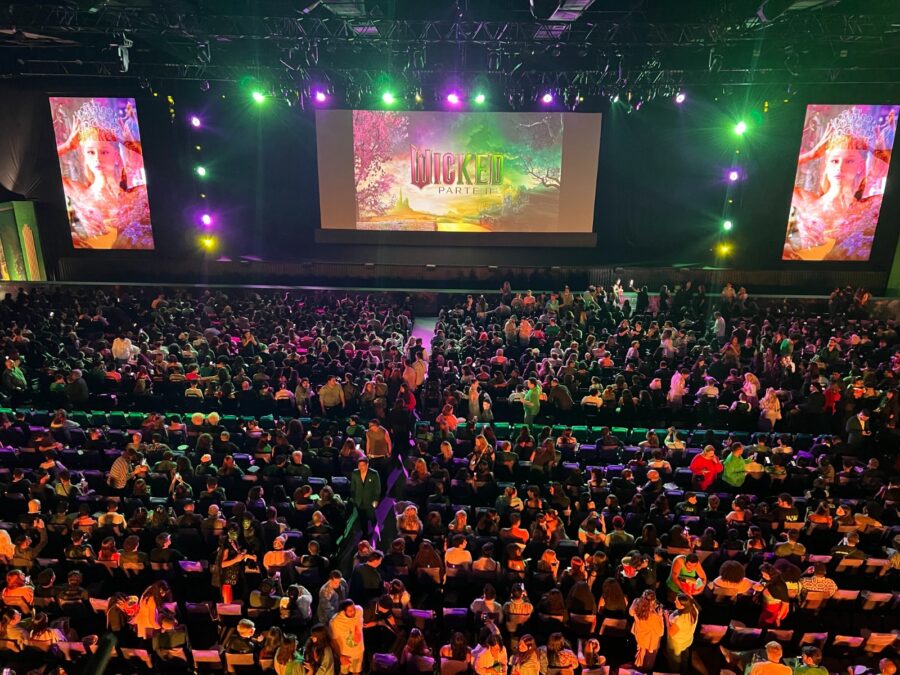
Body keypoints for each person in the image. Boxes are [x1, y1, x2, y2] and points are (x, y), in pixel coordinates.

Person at [53, 98, 152, 249]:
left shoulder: (134, 196)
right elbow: (41, 166)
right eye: (90, 152)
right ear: (85, 157)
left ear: (116, 156)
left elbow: (163, 168)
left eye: (104, 152)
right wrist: (67, 146)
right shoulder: (79, 193)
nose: (98, 159)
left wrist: (132, 145)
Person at [629, 589, 664, 672]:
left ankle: (638, 668)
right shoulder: (652, 615)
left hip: (640, 635)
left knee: (641, 653)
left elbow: (631, 613)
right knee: (649, 659)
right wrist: (660, 616)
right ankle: (646, 670)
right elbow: (660, 632)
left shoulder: (636, 602)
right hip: (650, 640)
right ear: (653, 601)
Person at [664, 593, 699, 674]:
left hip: (677, 644)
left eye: (676, 601)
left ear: (683, 606)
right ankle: (684, 669)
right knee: (685, 656)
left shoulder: (679, 620)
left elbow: (671, 632)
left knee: (675, 661)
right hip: (688, 639)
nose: (674, 601)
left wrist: (666, 617)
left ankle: (675, 672)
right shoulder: (694, 609)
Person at [329, 600, 365, 675]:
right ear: (343, 611)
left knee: (356, 672)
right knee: (343, 673)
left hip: (358, 652)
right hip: (345, 655)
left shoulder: (359, 610)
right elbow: (333, 640)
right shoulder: (336, 622)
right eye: (350, 611)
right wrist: (340, 656)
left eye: (354, 609)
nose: (353, 612)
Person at [350, 457, 381, 537]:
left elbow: (377, 488)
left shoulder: (374, 474)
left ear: (367, 465)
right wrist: (353, 498)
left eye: (362, 465)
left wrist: (376, 500)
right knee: (362, 520)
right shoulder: (355, 473)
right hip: (359, 501)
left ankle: (375, 526)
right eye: (359, 465)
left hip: (370, 501)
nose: (361, 467)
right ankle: (365, 534)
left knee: (371, 517)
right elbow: (353, 487)